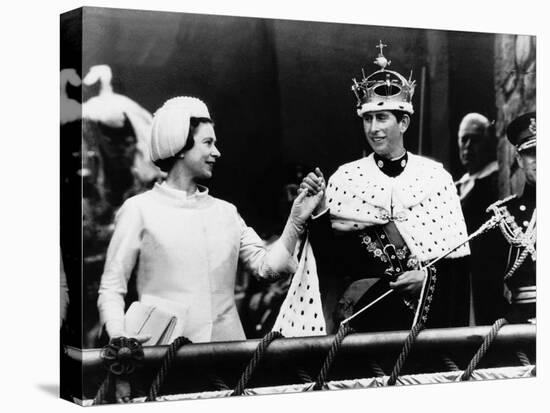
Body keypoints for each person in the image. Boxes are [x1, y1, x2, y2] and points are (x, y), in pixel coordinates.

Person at [97, 96, 323, 344]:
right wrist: (119, 334)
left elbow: (267, 269)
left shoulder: (226, 212)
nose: (217, 152)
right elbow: (111, 287)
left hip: (226, 356)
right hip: (161, 357)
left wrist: (295, 220)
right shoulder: (139, 209)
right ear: (180, 146)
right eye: (208, 143)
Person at [297, 42, 470, 334]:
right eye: (367, 119)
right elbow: (330, 265)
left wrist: (425, 279)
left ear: (403, 122)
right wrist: (321, 209)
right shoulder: (345, 178)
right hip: (366, 321)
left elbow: (458, 266)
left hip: (421, 324)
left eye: (381, 118)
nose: (373, 128)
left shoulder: (435, 178)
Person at [487, 112, 536, 323]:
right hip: (524, 330)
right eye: (532, 152)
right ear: (519, 159)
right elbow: (487, 293)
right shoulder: (502, 218)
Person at [454, 113, 503, 325]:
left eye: (475, 139)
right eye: (464, 139)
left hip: (487, 272)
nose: (468, 146)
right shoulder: (457, 186)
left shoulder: (495, 179)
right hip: (461, 273)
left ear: (488, 142)